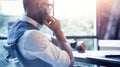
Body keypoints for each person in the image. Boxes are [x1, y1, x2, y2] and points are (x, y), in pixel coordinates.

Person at [7, 0, 86, 67]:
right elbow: (69, 62)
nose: (50, 10)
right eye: (49, 6)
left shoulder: (17, 28)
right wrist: (58, 32)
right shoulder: (32, 35)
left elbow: (50, 38)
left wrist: (74, 44)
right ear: (40, 5)